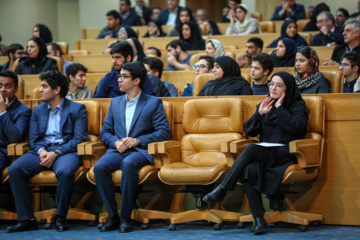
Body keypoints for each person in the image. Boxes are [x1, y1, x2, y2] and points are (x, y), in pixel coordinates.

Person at [203, 71, 308, 236]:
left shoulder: (297, 105)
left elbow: (298, 128)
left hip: (285, 152)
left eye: (279, 85)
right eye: (271, 84)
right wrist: (259, 114)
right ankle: (259, 219)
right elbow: (248, 130)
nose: (273, 88)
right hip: (265, 152)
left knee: (252, 149)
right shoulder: (265, 103)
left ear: (287, 89)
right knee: (248, 170)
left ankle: (223, 188)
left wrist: (280, 109)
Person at [93, 62, 171, 233]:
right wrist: (115, 142)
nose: (119, 80)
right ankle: (113, 216)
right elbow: (105, 131)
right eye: (120, 76)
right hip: (118, 149)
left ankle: (125, 217)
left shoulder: (153, 102)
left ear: (136, 81)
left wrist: (138, 140)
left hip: (140, 151)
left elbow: (164, 132)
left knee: (128, 164)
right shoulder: (115, 102)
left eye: (124, 76)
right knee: (99, 167)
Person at [7, 70, 88, 233]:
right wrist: (42, 150)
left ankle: (60, 217)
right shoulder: (38, 110)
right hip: (42, 151)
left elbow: (78, 140)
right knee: (15, 170)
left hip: (66, 152)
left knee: (65, 171)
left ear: (57, 90)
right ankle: (27, 219)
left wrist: (56, 153)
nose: (40, 90)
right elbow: (34, 139)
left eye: (44, 86)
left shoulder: (77, 109)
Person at [0, 71, 32, 183]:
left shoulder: (23, 111)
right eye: (0, 86)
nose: (3, 89)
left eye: (7, 86)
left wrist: (3, 111)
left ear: (16, 89)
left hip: (4, 152)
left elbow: (14, 138)